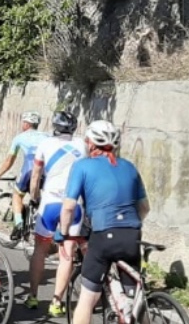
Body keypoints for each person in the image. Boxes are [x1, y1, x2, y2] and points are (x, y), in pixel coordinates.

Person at [60, 120, 150, 324]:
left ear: (91, 144)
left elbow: (68, 207)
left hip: (103, 234)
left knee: (87, 298)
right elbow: (144, 208)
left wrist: (64, 233)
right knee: (134, 296)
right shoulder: (130, 167)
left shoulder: (82, 166)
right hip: (132, 235)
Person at [23, 111, 86, 316]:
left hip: (50, 202)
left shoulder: (45, 144)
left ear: (55, 127)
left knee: (40, 250)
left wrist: (33, 197)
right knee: (66, 254)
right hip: (74, 204)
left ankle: (32, 296)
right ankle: (57, 302)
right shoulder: (82, 145)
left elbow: (36, 175)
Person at [0, 111, 49, 240]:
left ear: (26, 123)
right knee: (39, 194)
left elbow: (9, 160)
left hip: (29, 169)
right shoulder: (48, 136)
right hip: (46, 171)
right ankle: (38, 218)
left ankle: (19, 225)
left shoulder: (19, 137)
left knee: (17, 195)